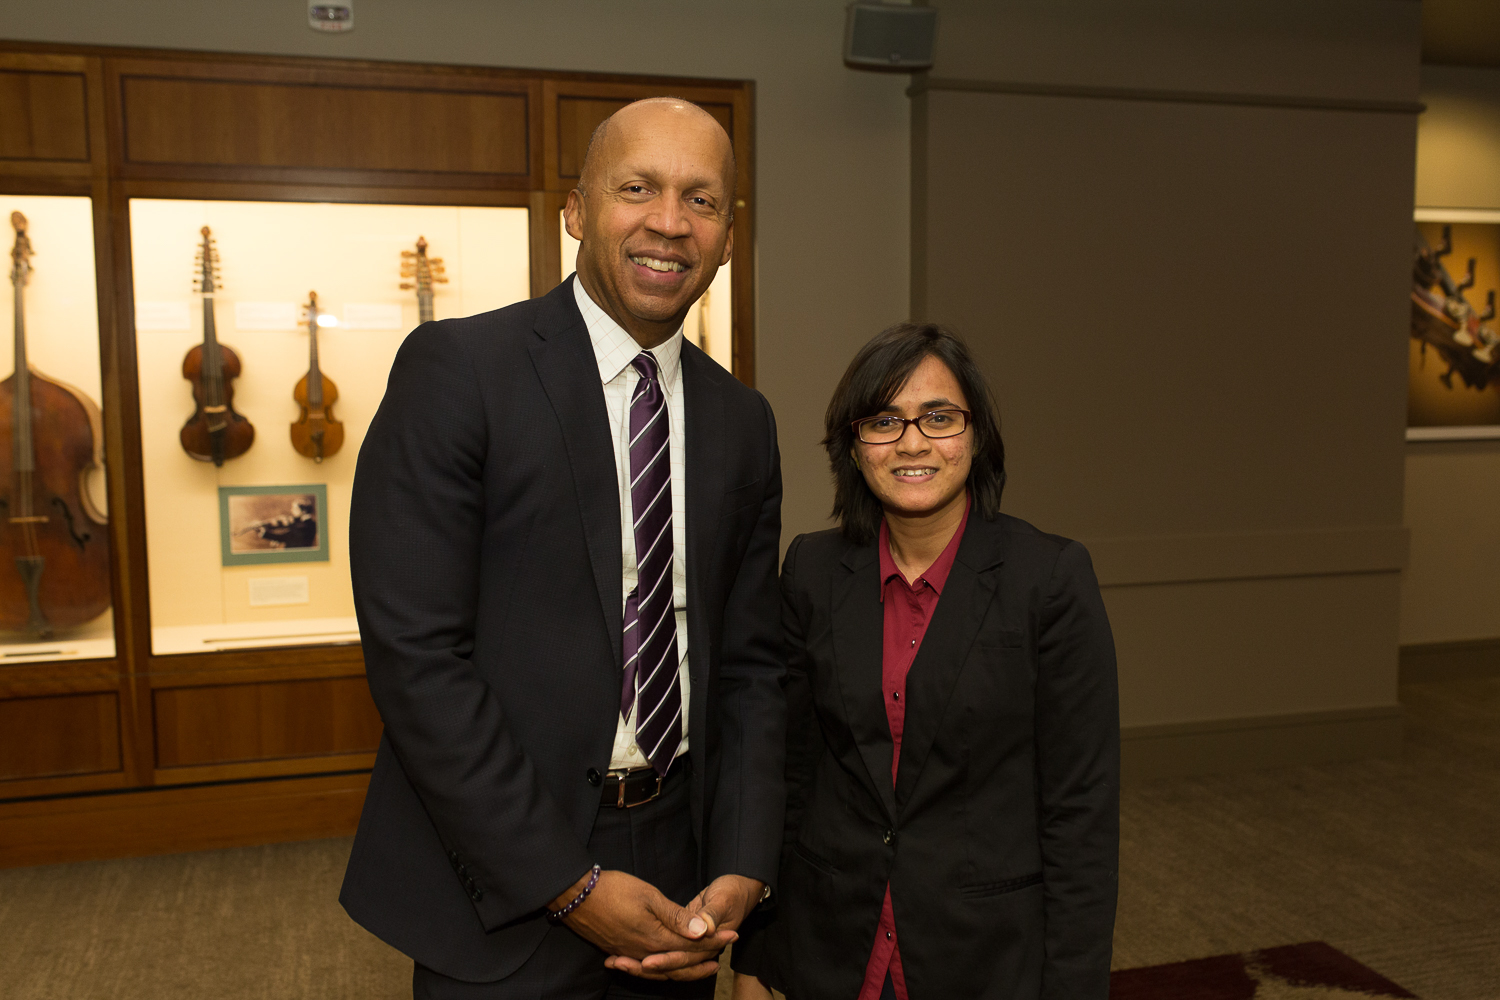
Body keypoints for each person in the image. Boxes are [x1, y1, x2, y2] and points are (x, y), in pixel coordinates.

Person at [340, 98, 786, 1000]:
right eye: (637, 188)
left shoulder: (741, 420)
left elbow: (751, 667)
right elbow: (417, 658)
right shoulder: (458, 372)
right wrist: (565, 882)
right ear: (576, 212)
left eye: (702, 200)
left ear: (729, 237)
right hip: (502, 872)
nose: (669, 221)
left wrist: (744, 861)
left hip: (678, 872)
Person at [732, 324, 1119, 999]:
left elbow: (1080, 810)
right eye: (885, 421)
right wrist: (758, 958)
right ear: (853, 446)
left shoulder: (1048, 578)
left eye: (939, 418)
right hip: (833, 944)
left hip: (985, 952)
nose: (912, 442)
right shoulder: (813, 570)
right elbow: (793, 776)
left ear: (976, 436)